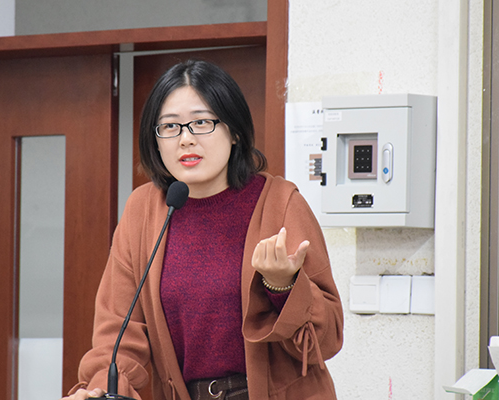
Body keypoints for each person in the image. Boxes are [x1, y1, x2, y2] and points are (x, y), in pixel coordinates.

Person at [63, 59, 343, 400]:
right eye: (170, 126)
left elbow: (327, 340)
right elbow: (117, 333)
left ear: (235, 131)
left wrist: (282, 286)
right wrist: (100, 391)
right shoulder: (143, 211)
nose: (185, 139)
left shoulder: (280, 204)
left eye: (201, 122)